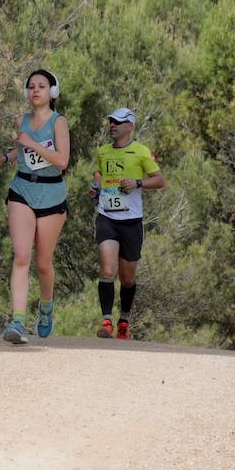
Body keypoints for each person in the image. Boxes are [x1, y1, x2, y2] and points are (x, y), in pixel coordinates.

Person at [0, 69, 70, 344]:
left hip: (51, 195)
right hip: (21, 189)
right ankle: (18, 321)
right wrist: (5, 159)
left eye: (42, 86)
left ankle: (46, 307)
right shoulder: (21, 119)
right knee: (22, 256)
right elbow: (23, 151)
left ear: (51, 92)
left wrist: (31, 142)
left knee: (43, 264)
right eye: (31, 86)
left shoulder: (59, 123)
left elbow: (62, 160)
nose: (35, 90)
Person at [89, 107, 164, 340]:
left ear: (130, 126)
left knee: (128, 277)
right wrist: (96, 186)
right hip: (107, 217)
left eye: (119, 122)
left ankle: (124, 319)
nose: (113, 125)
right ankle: (106, 322)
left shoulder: (141, 151)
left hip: (131, 221)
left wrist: (138, 183)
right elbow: (100, 173)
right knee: (107, 270)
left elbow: (160, 180)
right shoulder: (103, 151)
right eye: (111, 121)